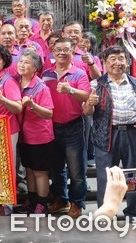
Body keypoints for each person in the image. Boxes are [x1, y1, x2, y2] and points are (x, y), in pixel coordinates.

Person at [82, 45, 136, 218]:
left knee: (134, 175)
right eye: (113, 59)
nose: (117, 63)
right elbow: (86, 112)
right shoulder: (96, 84)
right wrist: (89, 103)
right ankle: (106, 213)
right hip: (106, 135)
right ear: (104, 63)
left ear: (127, 61)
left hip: (133, 133)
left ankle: (133, 213)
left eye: (121, 59)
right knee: (106, 176)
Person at [42, 37, 91, 219]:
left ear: (73, 52)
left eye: (66, 49)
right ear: (53, 52)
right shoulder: (46, 73)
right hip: (51, 126)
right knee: (55, 168)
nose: (62, 52)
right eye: (58, 49)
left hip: (73, 127)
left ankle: (77, 202)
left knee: (76, 170)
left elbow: (86, 95)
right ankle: (61, 199)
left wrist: (70, 90)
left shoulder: (79, 74)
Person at [15, 50, 54, 214]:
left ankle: (42, 203)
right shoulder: (16, 82)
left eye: (26, 63)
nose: (22, 65)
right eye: (21, 61)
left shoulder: (40, 87)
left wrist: (32, 105)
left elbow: (49, 113)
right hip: (24, 136)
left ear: (35, 68)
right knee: (29, 170)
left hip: (39, 137)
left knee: (39, 172)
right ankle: (31, 200)